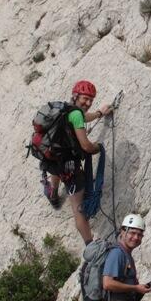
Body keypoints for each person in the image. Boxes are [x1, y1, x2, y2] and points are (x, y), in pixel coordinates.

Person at [41, 80, 112, 244]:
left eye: (91, 100)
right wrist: (98, 148)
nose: (88, 103)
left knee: (56, 169)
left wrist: (99, 113)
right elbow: (86, 146)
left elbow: (83, 117)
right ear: (76, 96)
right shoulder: (76, 115)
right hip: (69, 167)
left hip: (52, 157)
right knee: (79, 210)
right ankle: (90, 246)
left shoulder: (65, 108)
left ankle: (53, 193)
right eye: (85, 99)